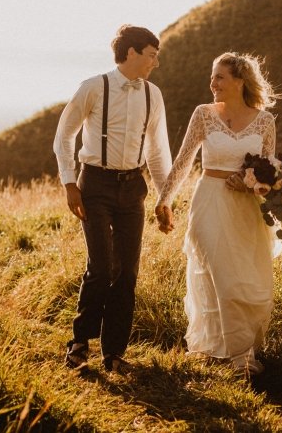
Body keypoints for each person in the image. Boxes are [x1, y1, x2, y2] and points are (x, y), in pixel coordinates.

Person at [53, 25, 173, 374]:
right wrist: (69, 182)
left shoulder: (153, 95)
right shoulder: (92, 87)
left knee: (126, 272)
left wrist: (164, 199)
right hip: (95, 184)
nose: (156, 62)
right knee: (102, 266)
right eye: (151, 54)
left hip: (132, 186)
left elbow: (157, 150)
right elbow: (64, 137)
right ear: (132, 52)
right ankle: (80, 341)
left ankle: (114, 353)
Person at [154, 51, 282, 375]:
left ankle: (234, 346)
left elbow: (268, 171)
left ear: (240, 81)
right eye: (212, 77)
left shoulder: (265, 121)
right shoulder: (204, 115)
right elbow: (184, 160)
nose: (212, 83)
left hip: (245, 210)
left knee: (245, 281)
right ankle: (241, 359)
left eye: (219, 77)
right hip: (209, 201)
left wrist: (254, 186)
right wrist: (164, 199)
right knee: (221, 275)